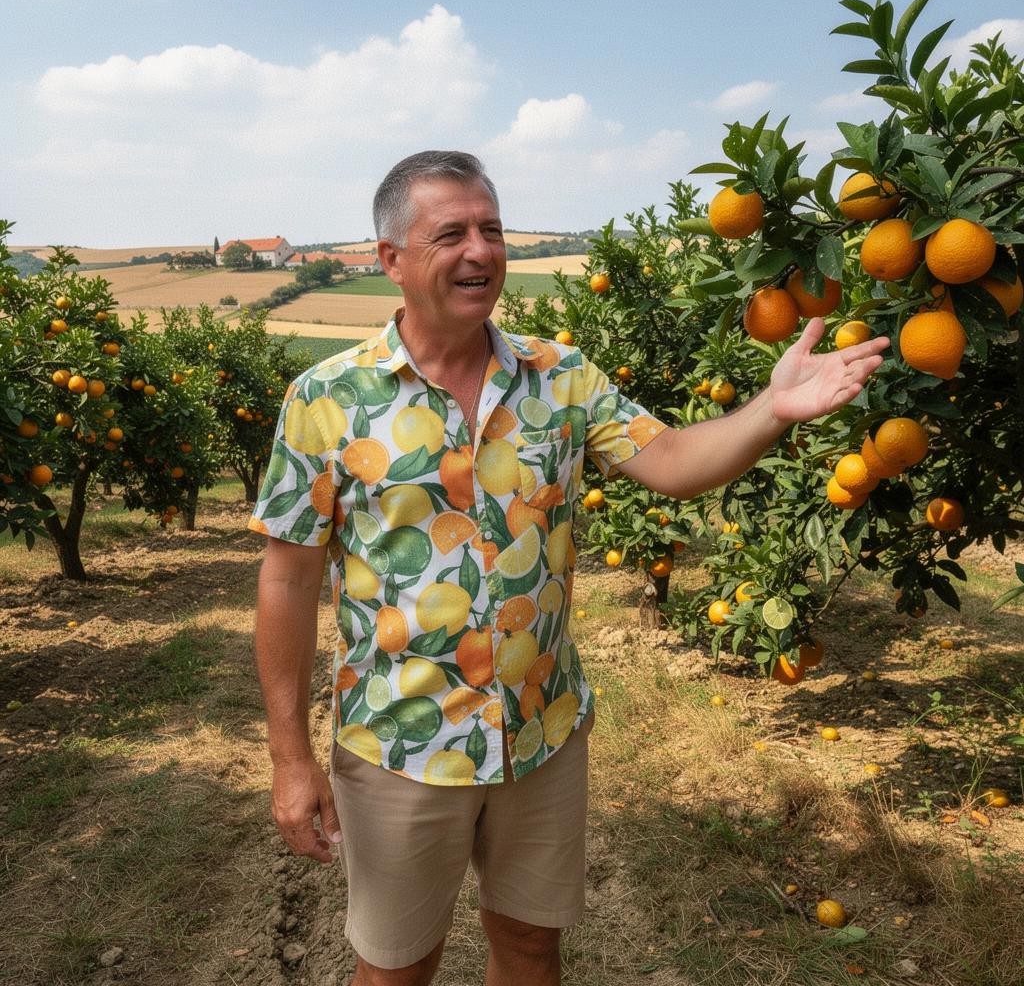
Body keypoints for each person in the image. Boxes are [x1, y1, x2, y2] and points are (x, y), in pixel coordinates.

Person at [250, 150, 887, 985]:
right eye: (451, 234)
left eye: (492, 229)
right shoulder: (326, 399)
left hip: (540, 733)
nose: (481, 250)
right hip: (402, 741)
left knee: (530, 945)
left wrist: (772, 409)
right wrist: (290, 758)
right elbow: (288, 581)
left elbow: (674, 459)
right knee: (398, 967)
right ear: (391, 261)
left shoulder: (562, 378)